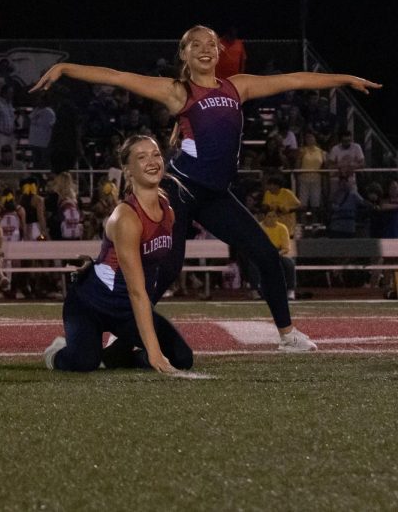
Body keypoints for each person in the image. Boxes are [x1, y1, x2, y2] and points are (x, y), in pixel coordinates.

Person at [33, 24, 381, 351]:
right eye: (195, 44)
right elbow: (118, 77)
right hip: (179, 192)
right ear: (183, 54)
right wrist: (67, 69)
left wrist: (343, 79)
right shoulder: (177, 91)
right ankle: (115, 333)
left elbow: (294, 79)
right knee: (165, 269)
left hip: (216, 195)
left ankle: (287, 334)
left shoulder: (237, 86)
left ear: (219, 52)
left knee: (265, 255)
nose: (205, 49)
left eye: (211, 43)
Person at [43, 135, 193, 373]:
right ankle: (57, 353)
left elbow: (149, 269)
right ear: (128, 170)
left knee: (182, 358)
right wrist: (154, 354)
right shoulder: (126, 217)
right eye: (141, 157)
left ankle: (113, 357)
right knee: (83, 363)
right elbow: (136, 290)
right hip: (91, 305)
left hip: (126, 312)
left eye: (155, 155)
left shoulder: (168, 212)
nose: (152, 161)